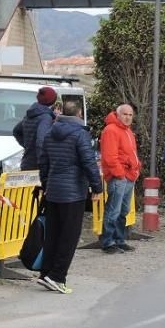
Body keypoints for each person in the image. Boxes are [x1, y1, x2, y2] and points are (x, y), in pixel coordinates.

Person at [36, 102, 103, 293]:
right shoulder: (80, 134)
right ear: (79, 114)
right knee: (70, 236)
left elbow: (43, 161)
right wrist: (96, 186)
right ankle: (57, 276)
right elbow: (88, 161)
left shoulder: (50, 132)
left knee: (53, 234)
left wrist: (46, 183)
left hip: (54, 191)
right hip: (73, 192)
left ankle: (46, 273)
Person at [99, 103, 141, 254]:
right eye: (125, 114)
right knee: (113, 210)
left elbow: (131, 154)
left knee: (123, 210)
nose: (128, 117)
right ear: (118, 114)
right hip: (120, 177)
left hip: (128, 176)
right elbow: (110, 157)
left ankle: (119, 239)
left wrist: (135, 170)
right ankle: (108, 242)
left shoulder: (127, 131)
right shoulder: (111, 130)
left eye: (130, 114)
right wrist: (120, 174)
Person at [12, 86, 57, 170]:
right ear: (52, 101)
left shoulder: (30, 115)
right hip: (37, 167)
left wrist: (27, 146)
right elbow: (41, 141)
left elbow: (16, 131)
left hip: (27, 162)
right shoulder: (45, 117)